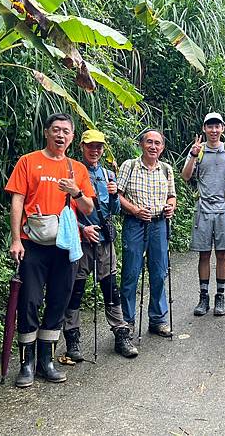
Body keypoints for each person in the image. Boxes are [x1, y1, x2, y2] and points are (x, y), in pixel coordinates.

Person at [6, 113, 95, 388]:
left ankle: (47, 361)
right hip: (32, 243)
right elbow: (17, 200)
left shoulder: (77, 169)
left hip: (65, 245)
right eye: (56, 130)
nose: (61, 135)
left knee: (58, 301)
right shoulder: (28, 161)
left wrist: (76, 192)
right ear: (47, 132)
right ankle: (26, 364)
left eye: (66, 132)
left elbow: (89, 209)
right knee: (29, 301)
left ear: (71, 137)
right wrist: (16, 239)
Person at [62, 130, 138, 361]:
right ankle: (72, 341)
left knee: (111, 289)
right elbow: (62, 209)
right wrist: (81, 229)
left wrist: (115, 196)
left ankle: (121, 334)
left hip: (105, 241)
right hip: (80, 241)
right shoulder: (71, 173)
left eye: (99, 147)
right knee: (75, 291)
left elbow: (115, 210)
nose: (94, 151)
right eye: (90, 146)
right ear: (82, 147)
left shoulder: (108, 174)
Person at [117, 129, 176, 338]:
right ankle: (127, 320)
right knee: (131, 272)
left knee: (159, 272)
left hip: (159, 224)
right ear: (141, 144)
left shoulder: (166, 169)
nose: (153, 146)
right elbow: (118, 195)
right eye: (149, 142)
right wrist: (134, 210)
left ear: (162, 147)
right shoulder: (129, 166)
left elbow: (172, 196)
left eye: (157, 143)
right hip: (134, 224)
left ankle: (158, 319)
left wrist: (170, 206)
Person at [181, 112, 225, 317]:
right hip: (203, 209)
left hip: (224, 209)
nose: (214, 130)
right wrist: (192, 155)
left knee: (222, 254)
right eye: (210, 126)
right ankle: (203, 296)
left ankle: (221, 296)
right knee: (204, 254)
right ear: (204, 129)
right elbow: (186, 176)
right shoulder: (199, 151)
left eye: (217, 126)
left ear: (223, 128)